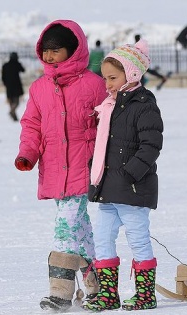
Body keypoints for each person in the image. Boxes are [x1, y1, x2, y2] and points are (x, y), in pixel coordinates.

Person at [14, 19, 106, 312]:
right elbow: (32, 124)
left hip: (84, 166)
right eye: (46, 51)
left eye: (57, 50)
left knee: (66, 226)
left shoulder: (93, 84)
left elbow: (107, 124)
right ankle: (97, 287)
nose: (50, 56)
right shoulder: (39, 88)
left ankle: (61, 292)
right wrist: (27, 153)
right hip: (54, 168)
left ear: (74, 50)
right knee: (81, 229)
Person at [83, 39, 163, 311]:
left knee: (138, 239)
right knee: (102, 239)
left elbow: (151, 145)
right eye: (105, 78)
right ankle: (108, 294)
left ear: (131, 74)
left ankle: (145, 294)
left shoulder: (144, 105)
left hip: (131, 188)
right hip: (107, 187)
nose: (107, 84)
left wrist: (131, 174)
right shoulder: (109, 106)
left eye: (112, 78)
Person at [1, 52, 25, 122]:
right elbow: (23, 70)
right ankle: (12, 112)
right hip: (16, 85)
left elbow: (3, 77)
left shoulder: (5, 65)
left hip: (9, 86)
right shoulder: (17, 64)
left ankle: (14, 116)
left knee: (11, 101)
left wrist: (5, 84)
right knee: (16, 102)